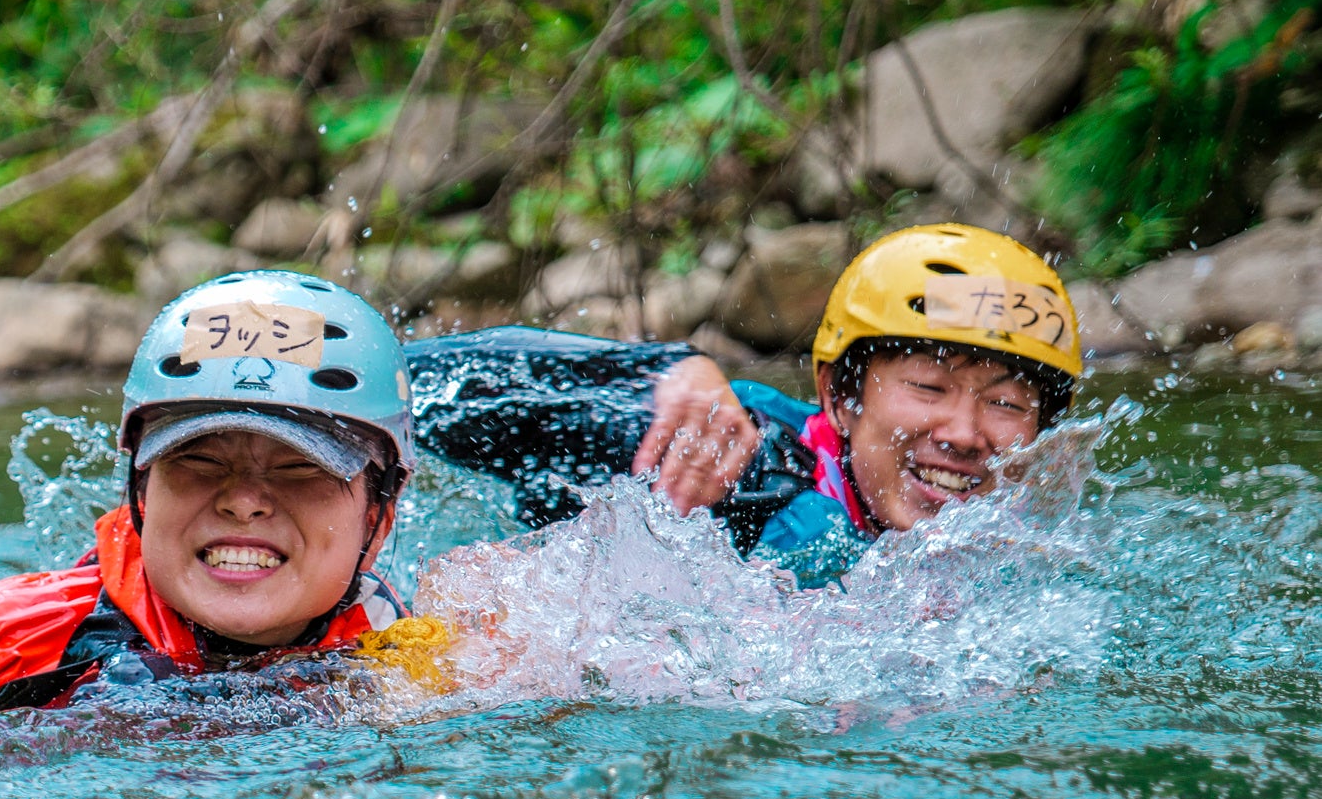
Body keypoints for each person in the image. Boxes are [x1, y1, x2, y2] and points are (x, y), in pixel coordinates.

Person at [0, 271, 455, 724]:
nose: (244, 500)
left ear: (379, 514)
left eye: (302, 468)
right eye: (198, 457)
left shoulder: (420, 659)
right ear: (141, 492)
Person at [401, 223, 1084, 585]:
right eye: (929, 388)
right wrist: (653, 369)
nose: (965, 433)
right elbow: (410, 384)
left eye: (1004, 403)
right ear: (840, 397)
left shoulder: (1019, 555)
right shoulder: (739, 454)